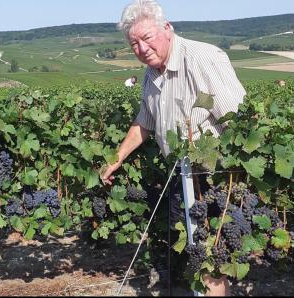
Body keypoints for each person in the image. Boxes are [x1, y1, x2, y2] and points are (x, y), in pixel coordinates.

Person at [102, 0, 246, 295]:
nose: (141, 48)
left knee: (210, 259)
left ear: (167, 29)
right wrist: (115, 158)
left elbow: (238, 121)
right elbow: (145, 122)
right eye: (134, 44)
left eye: (147, 38)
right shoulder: (150, 74)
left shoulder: (202, 58)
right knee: (199, 255)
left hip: (213, 177)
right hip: (182, 176)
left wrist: (236, 181)